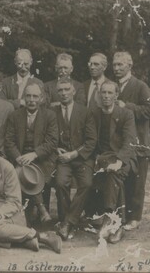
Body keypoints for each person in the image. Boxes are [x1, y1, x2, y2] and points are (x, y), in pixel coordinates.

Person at [88, 80, 137, 244]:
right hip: (101, 158)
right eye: (104, 93)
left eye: (110, 93)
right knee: (108, 176)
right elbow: (91, 140)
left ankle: (109, 218)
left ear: (116, 95)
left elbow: (129, 142)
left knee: (113, 174)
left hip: (122, 157)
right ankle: (118, 226)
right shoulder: (95, 114)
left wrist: (119, 161)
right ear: (100, 95)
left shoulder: (126, 114)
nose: (106, 96)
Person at [112, 51, 150, 231]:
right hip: (121, 143)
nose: (116, 68)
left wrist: (127, 106)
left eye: (120, 65)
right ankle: (120, 216)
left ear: (130, 65)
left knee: (137, 182)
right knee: (123, 179)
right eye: (114, 65)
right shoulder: (112, 86)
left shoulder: (141, 86)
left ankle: (134, 218)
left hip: (139, 143)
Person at [5, 83, 58, 223]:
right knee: (23, 171)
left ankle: (33, 212)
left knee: (28, 172)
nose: (31, 100)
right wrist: (18, 157)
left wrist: (34, 154)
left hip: (42, 159)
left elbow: (52, 142)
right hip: (20, 158)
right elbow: (9, 141)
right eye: (28, 96)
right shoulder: (15, 115)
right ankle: (41, 209)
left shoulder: (49, 116)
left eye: (35, 96)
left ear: (41, 98)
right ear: (23, 98)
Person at [52, 78, 97, 240]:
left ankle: (68, 222)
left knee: (87, 183)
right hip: (62, 159)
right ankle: (67, 220)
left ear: (73, 92)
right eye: (60, 90)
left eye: (66, 90)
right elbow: (48, 137)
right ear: (57, 93)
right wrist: (56, 149)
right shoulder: (52, 112)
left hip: (82, 158)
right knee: (60, 182)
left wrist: (74, 154)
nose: (64, 93)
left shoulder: (84, 111)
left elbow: (92, 140)